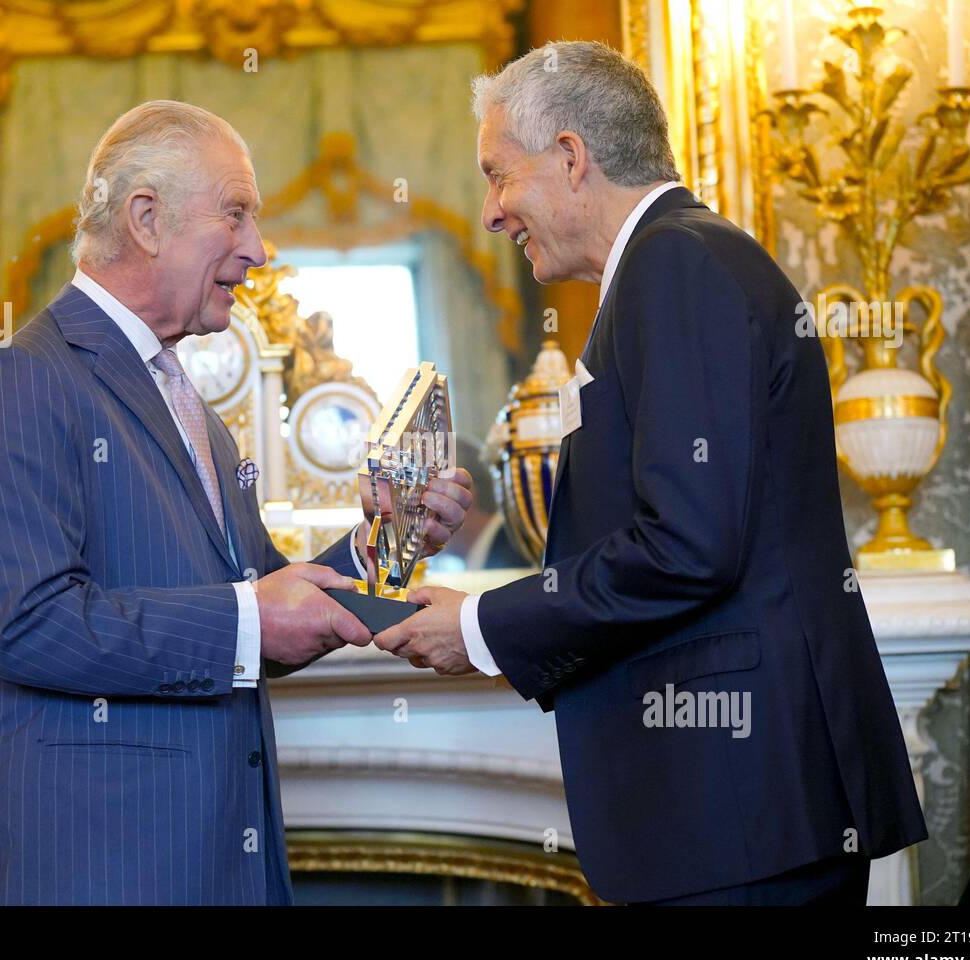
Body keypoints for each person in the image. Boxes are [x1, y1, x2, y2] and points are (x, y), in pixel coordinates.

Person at [374, 41, 926, 905]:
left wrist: (482, 625)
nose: (489, 212)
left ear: (569, 156)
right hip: (737, 812)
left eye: (496, 174)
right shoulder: (670, 264)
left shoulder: (675, 265)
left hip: (738, 811)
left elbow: (689, 545)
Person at [0, 100, 472, 905]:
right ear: (146, 218)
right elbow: (24, 623)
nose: (259, 249)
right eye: (237, 213)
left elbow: (264, 605)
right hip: (93, 871)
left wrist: (380, 544)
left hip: (220, 861)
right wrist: (251, 617)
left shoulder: (197, 415)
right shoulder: (19, 380)